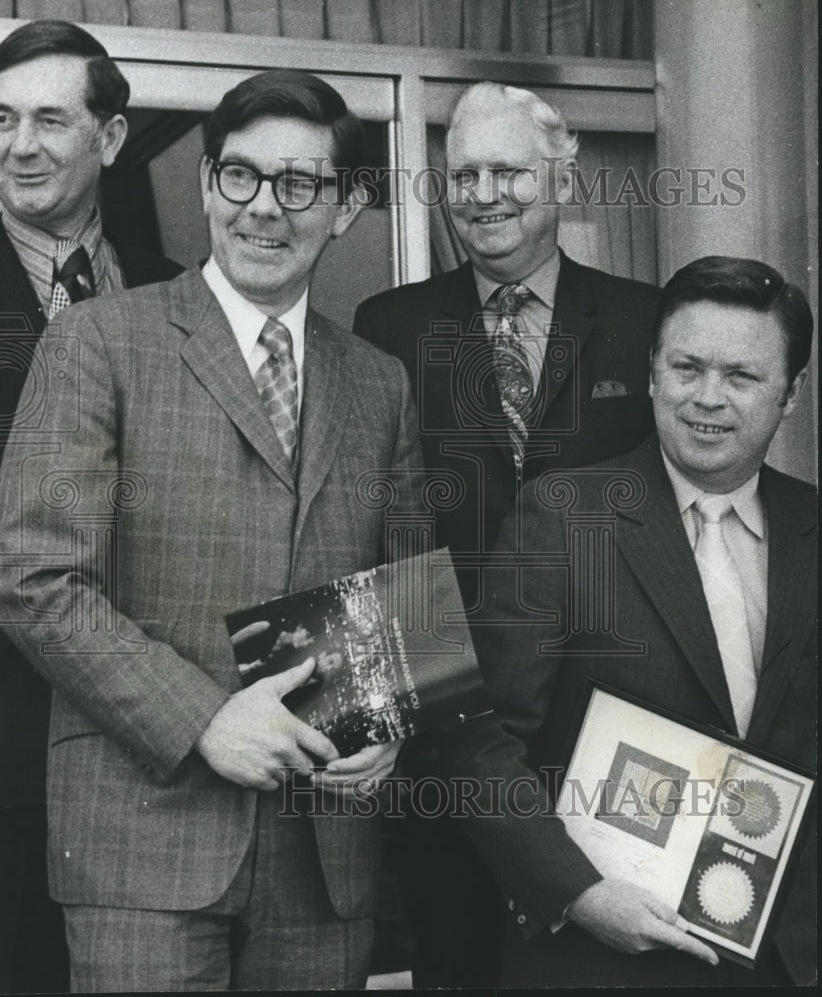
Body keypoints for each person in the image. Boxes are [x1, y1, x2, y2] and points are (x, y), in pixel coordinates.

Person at [0, 68, 421, 991]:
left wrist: (389, 719)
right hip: (142, 847)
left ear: (346, 207)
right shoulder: (97, 343)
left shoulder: (380, 383)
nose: (264, 208)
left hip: (324, 864)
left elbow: (397, 590)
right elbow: (35, 582)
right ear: (204, 187)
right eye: (241, 177)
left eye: (300, 184)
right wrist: (205, 721)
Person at [352, 81, 661, 985]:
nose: (483, 194)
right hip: (445, 723)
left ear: (562, 180)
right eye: (464, 174)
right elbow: (382, 529)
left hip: (603, 721)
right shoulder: (390, 325)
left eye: (508, 173)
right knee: (455, 959)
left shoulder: (645, 322)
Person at [447, 255, 816, 986]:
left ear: (792, 393)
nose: (708, 398)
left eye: (741, 376)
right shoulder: (561, 516)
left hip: (788, 963)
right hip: (605, 956)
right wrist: (577, 894)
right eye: (687, 367)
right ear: (651, 372)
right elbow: (477, 737)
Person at [0, 19, 182, 993]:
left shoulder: (175, 293)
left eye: (49, 119)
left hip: (160, 755)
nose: (19, 145)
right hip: (9, 757)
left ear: (110, 139)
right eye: (1, 119)